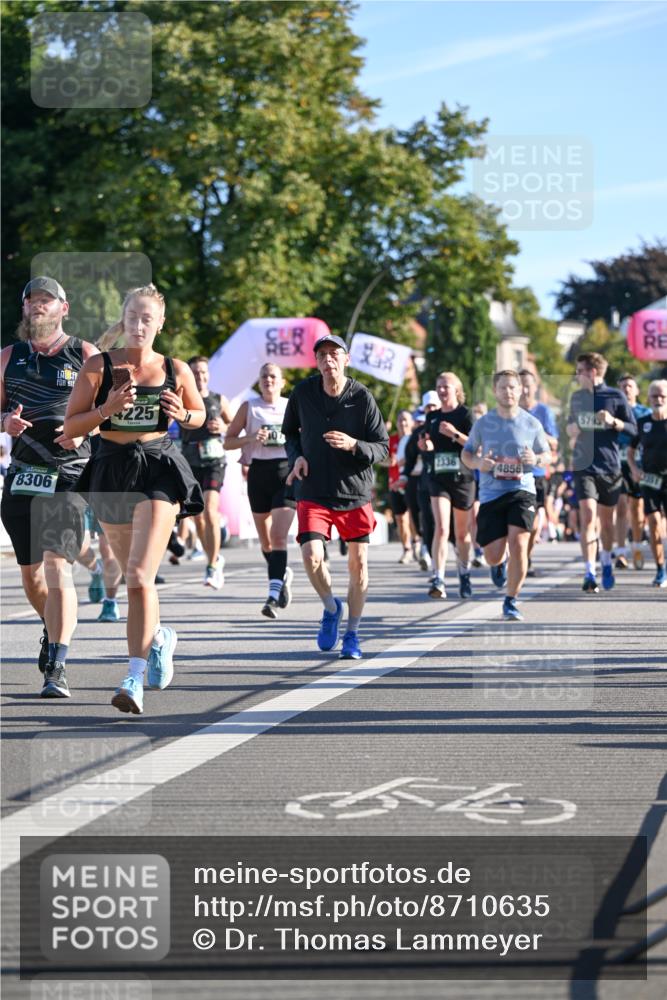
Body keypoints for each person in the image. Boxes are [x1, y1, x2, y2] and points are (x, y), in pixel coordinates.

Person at [64, 283, 205, 715]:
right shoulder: (99, 366)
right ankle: (159, 637)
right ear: (123, 321)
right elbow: (71, 426)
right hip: (111, 469)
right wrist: (106, 410)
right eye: (132, 317)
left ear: (160, 323)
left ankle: (132, 677)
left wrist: (183, 414)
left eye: (147, 318)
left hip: (158, 467)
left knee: (142, 576)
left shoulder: (176, 369)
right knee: (132, 577)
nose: (139, 325)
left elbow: (199, 415)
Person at [0, 276, 98, 697]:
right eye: (32, 301)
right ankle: (52, 624)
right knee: (32, 577)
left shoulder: (85, 355)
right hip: (24, 473)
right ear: (24, 309)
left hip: (69, 473)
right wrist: (5, 422)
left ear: (64, 308)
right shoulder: (9, 357)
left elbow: (111, 411)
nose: (38, 306)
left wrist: (84, 429)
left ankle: (57, 665)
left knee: (58, 567)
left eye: (47, 300)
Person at [282, 333, 388, 658]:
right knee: (311, 556)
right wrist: (297, 457)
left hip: (354, 491)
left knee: (358, 565)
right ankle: (331, 607)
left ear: (346, 359)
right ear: (316, 362)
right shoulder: (302, 393)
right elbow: (289, 434)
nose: (328, 360)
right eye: (322, 355)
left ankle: (352, 634)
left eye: (334, 354)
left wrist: (354, 445)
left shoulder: (363, 397)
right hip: (313, 489)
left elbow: (382, 447)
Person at [462, 369, 551, 621]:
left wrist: (536, 459)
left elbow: (547, 455)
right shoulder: (483, 423)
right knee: (492, 555)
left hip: (522, 490)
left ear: (520, 390)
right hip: (491, 494)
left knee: (519, 544)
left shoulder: (532, 423)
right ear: (495, 391)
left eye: (513, 387)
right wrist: (479, 463)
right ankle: (499, 563)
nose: (508, 392)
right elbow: (466, 453)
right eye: (503, 387)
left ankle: (511, 600)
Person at [224, 363, 296, 618]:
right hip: (258, 474)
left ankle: (273, 596)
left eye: (273, 376)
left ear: (282, 382)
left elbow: (306, 438)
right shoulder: (249, 407)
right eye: (264, 376)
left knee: (278, 538)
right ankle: (281, 574)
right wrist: (251, 438)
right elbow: (228, 442)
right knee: (266, 542)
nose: (268, 380)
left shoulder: (292, 406)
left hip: (286, 473)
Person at [566, 352, 636, 593]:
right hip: (583, 465)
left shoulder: (615, 396)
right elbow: (570, 427)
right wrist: (576, 426)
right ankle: (589, 572)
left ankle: (606, 561)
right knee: (587, 516)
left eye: (579, 371)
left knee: (607, 523)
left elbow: (633, 429)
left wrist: (614, 421)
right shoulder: (577, 397)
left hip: (609, 466)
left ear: (592, 372)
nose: (577, 376)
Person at [180, 356, 233, 589]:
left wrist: (223, 427)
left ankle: (212, 566)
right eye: (195, 373)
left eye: (203, 372)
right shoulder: (183, 398)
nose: (200, 376)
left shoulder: (218, 400)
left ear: (208, 374)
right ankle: (214, 557)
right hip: (190, 460)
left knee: (211, 511)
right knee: (198, 516)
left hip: (214, 461)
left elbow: (234, 426)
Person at [421, 372, 475, 599]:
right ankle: (438, 578)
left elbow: (476, 447)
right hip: (439, 477)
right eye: (439, 387)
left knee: (461, 534)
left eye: (446, 386)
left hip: (462, 478)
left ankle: (464, 572)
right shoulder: (432, 416)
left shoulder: (465, 414)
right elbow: (427, 443)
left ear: (456, 390)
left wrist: (454, 434)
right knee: (442, 528)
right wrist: (425, 446)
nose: (442, 390)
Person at [627, 380, 667, 588]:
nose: (658, 400)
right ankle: (660, 569)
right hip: (650, 480)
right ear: (649, 398)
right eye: (654, 396)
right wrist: (634, 469)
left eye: (662, 396)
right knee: (654, 524)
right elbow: (630, 451)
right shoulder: (642, 423)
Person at [519, 369, 558, 576]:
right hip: (512, 473)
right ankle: (515, 559)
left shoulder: (544, 411)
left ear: (535, 387)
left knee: (533, 524)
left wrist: (536, 433)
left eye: (528, 385)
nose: (524, 390)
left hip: (536, 472)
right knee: (515, 521)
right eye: (521, 385)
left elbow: (554, 442)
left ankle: (525, 558)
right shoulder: (509, 411)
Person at [615, 374, 651, 570]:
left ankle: (636, 547)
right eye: (623, 386)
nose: (626, 389)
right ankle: (621, 552)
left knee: (637, 509)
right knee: (620, 506)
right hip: (617, 464)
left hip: (638, 465)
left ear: (637, 390)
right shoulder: (614, 412)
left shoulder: (645, 413)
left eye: (630, 386)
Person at [387, 409, 418, 563]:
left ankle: (417, 542)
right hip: (394, 483)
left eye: (406, 419)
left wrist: (406, 460)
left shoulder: (415, 438)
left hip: (411, 482)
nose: (403, 423)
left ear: (412, 423)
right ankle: (407, 549)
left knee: (412, 516)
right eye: (400, 420)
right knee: (400, 518)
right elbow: (380, 459)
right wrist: (389, 461)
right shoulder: (391, 440)